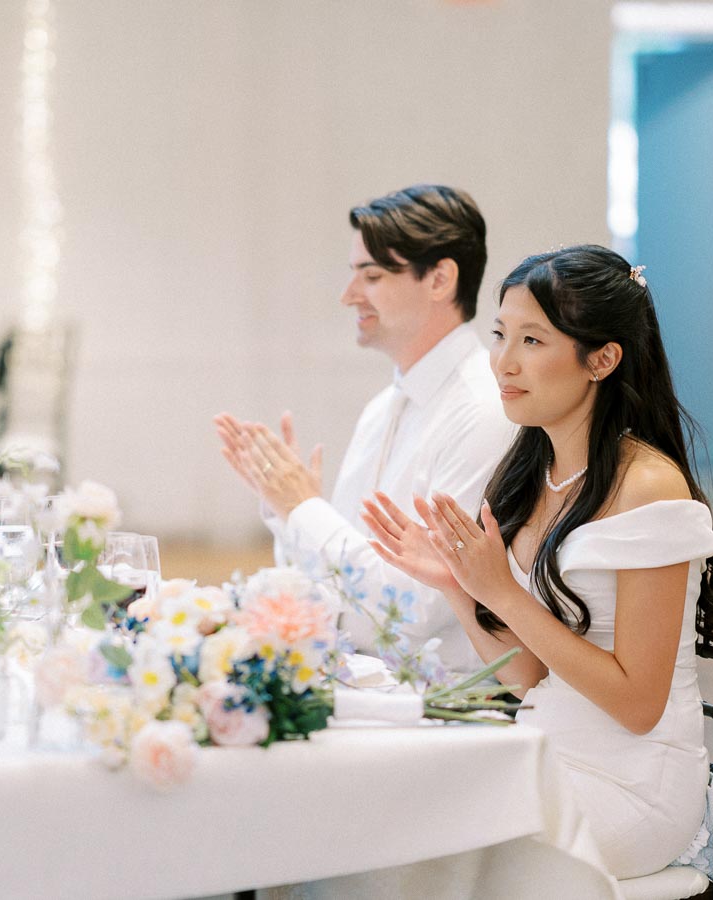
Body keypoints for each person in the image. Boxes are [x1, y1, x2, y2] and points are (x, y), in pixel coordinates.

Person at [363, 244, 713, 879]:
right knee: (379, 820)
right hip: (548, 750)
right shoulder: (535, 474)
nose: (504, 362)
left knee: (433, 852)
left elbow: (638, 705)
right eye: (501, 335)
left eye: (533, 340)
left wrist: (502, 593)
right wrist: (458, 585)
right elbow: (530, 678)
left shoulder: (648, 487)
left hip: (632, 785)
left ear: (603, 359)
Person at [214, 184, 514, 668]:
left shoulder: (484, 410)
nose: (348, 295)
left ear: (440, 279)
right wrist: (288, 511)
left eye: (370, 275)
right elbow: (334, 593)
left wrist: (305, 508)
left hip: (452, 710)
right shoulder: (381, 409)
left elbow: (414, 608)